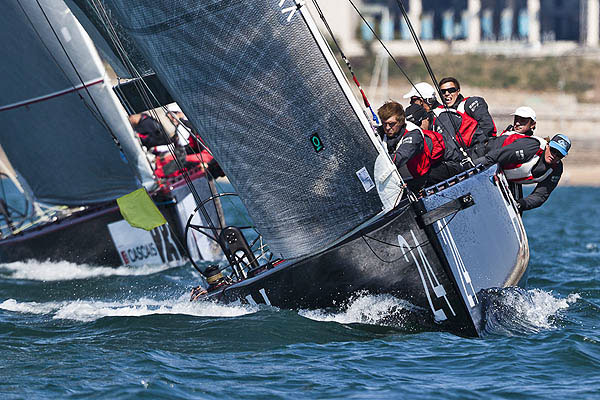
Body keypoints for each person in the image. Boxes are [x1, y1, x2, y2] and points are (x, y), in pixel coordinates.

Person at [473, 133, 571, 211]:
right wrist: (471, 167)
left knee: (517, 207)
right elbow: (495, 156)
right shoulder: (532, 147)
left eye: (559, 155)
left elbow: (540, 196)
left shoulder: (556, 169)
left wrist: (520, 204)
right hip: (485, 152)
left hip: (506, 177)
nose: (554, 156)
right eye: (553, 150)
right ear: (548, 145)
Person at [378, 101, 444, 190]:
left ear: (401, 121)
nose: (387, 128)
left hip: (416, 180)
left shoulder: (413, 133)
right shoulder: (382, 130)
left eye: (391, 124)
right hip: (395, 178)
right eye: (384, 123)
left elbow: (401, 157)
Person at [436, 77, 497, 150]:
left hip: (479, 149)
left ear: (458, 91)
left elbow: (487, 127)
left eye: (451, 90)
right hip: (454, 153)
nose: (447, 94)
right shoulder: (439, 111)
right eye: (443, 91)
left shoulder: (469, 103)